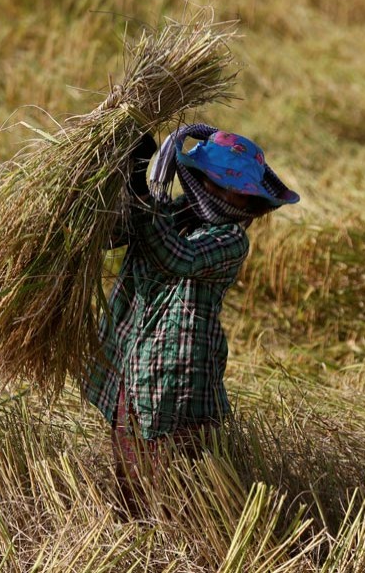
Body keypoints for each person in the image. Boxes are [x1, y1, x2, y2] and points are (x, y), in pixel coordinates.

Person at [84, 123, 300, 510]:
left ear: (249, 202)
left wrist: (143, 195)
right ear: (196, 178)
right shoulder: (173, 211)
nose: (216, 193)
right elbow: (114, 233)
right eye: (211, 182)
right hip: (134, 365)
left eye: (228, 187)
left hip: (178, 374)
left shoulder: (231, 240)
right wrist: (124, 175)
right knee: (130, 466)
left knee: (175, 475)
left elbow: (177, 256)